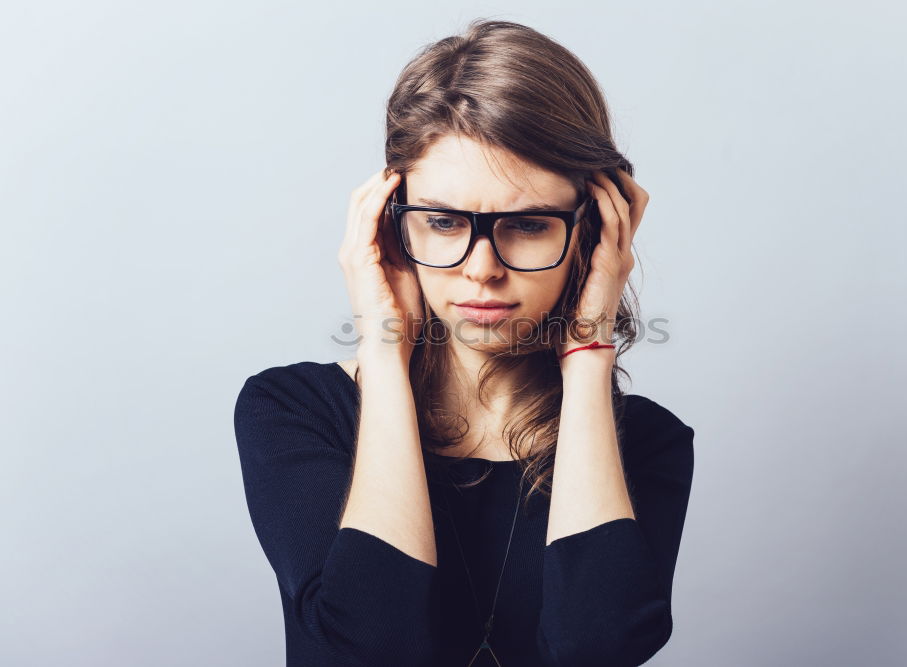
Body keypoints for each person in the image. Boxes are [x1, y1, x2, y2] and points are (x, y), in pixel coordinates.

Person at [234, 18, 695, 667]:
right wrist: (386, 345)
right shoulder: (291, 410)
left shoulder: (647, 443)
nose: (482, 266)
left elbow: (599, 646)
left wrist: (590, 351)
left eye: (529, 224)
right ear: (394, 228)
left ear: (590, 234)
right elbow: (372, 645)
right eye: (445, 221)